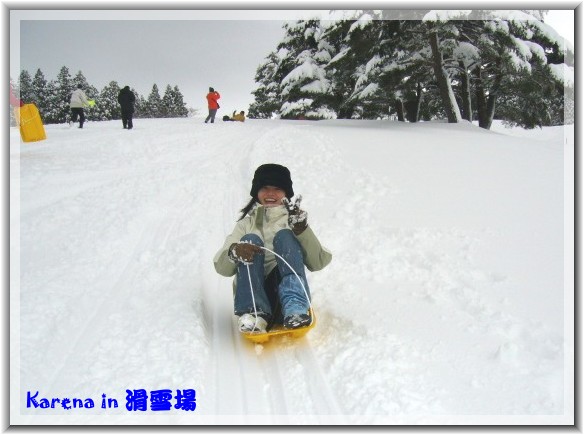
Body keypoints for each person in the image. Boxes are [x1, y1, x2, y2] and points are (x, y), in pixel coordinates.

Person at [213, 163, 332, 333]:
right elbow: (221, 267)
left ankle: (295, 308)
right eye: (265, 188)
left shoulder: (294, 221)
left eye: (277, 188)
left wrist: (302, 231)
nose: (270, 193)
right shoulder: (246, 225)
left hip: (287, 300)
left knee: (285, 236)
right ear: (257, 192)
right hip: (253, 297)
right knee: (249, 240)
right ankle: (253, 314)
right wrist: (234, 252)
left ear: (286, 193)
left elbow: (319, 262)